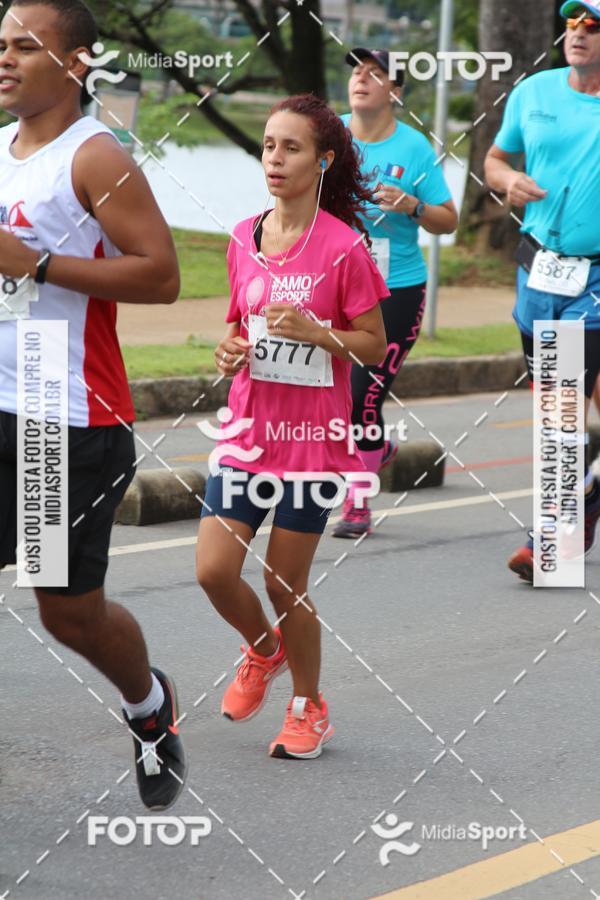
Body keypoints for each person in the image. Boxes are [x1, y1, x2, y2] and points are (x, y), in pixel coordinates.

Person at [0, 0, 186, 807]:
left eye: (24, 47)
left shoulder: (95, 156)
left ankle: (149, 707)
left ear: (77, 63)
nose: (3, 59)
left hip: (60, 419)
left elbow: (161, 275)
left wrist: (38, 266)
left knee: (68, 615)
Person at [196, 94, 389, 759]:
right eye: (269, 146)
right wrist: (226, 351)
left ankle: (309, 706)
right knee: (214, 570)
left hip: (311, 443)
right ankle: (263, 649)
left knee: (284, 582)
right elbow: (234, 326)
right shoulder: (242, 238)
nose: (274, 159)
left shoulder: (344, 249)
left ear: (322, 160)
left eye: (291, 148)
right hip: (247, 431)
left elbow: (371, 344)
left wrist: (318, 332)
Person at [484, 0, 600, 583]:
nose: (578, 33)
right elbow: (496, 157)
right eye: (573, 22)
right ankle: (580, 511)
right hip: (539, 269)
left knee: (564, 408)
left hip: (598, 275)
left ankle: (549, 538)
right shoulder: (534, 93)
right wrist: (507, 181)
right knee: (560, 413)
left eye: (594, 25)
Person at [333, 48, 458, 538]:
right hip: (341, 285)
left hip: (398, 289)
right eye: (357, 72)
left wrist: (411, 205)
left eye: (376, 74)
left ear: (396, 92)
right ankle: (376, 450)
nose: (361, 79)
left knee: (364, 395)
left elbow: (448, 221)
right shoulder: (331, 136)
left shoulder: (414, 149)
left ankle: (357, 504)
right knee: (343, 393)